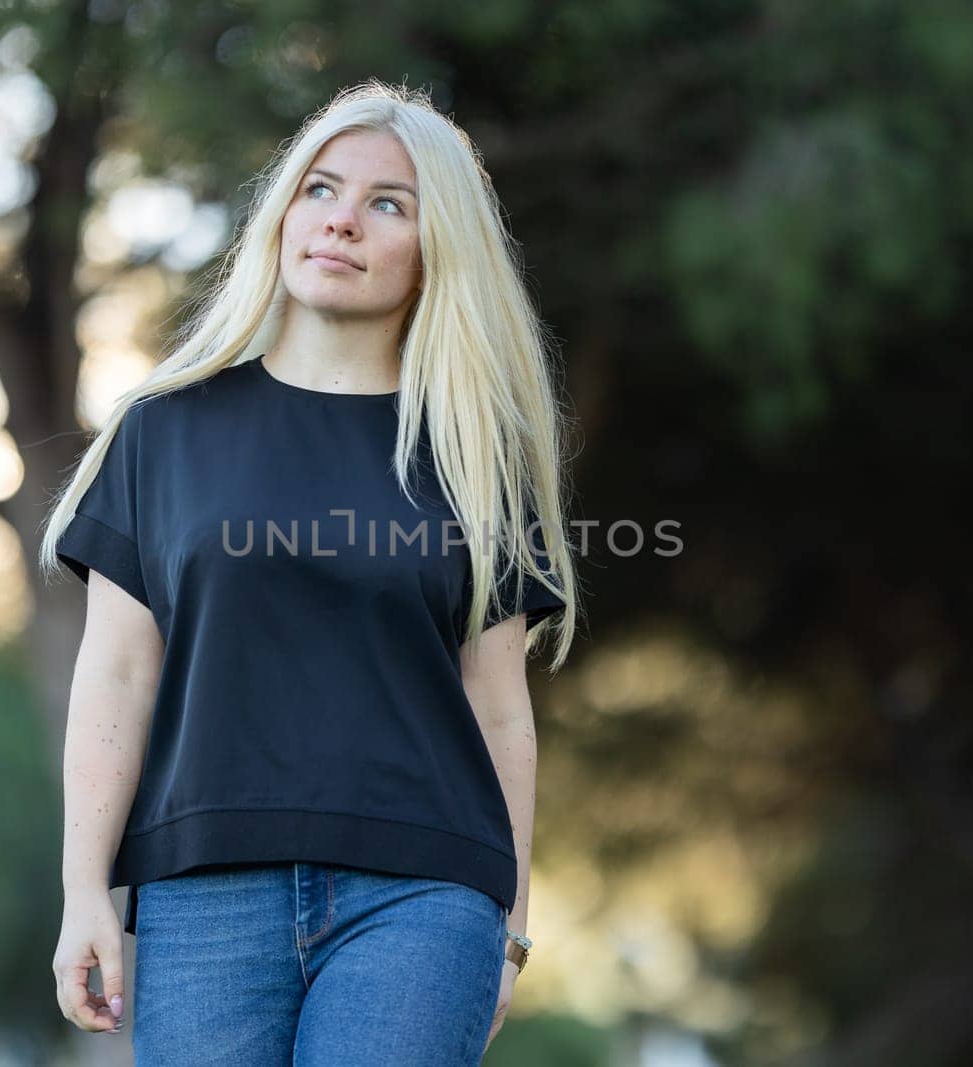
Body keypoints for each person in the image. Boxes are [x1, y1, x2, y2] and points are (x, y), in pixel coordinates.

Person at [39, 79, 579, 1065]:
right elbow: (117, 670)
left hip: (422, 893)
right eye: (320, 188)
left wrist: (513, 923)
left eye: (388, 203)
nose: (340, 220)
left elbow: (498, 707)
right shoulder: (163, 431)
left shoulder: (473, 455)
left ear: (433, 249)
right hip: (203, 892)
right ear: (282, 211)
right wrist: (85, 889)